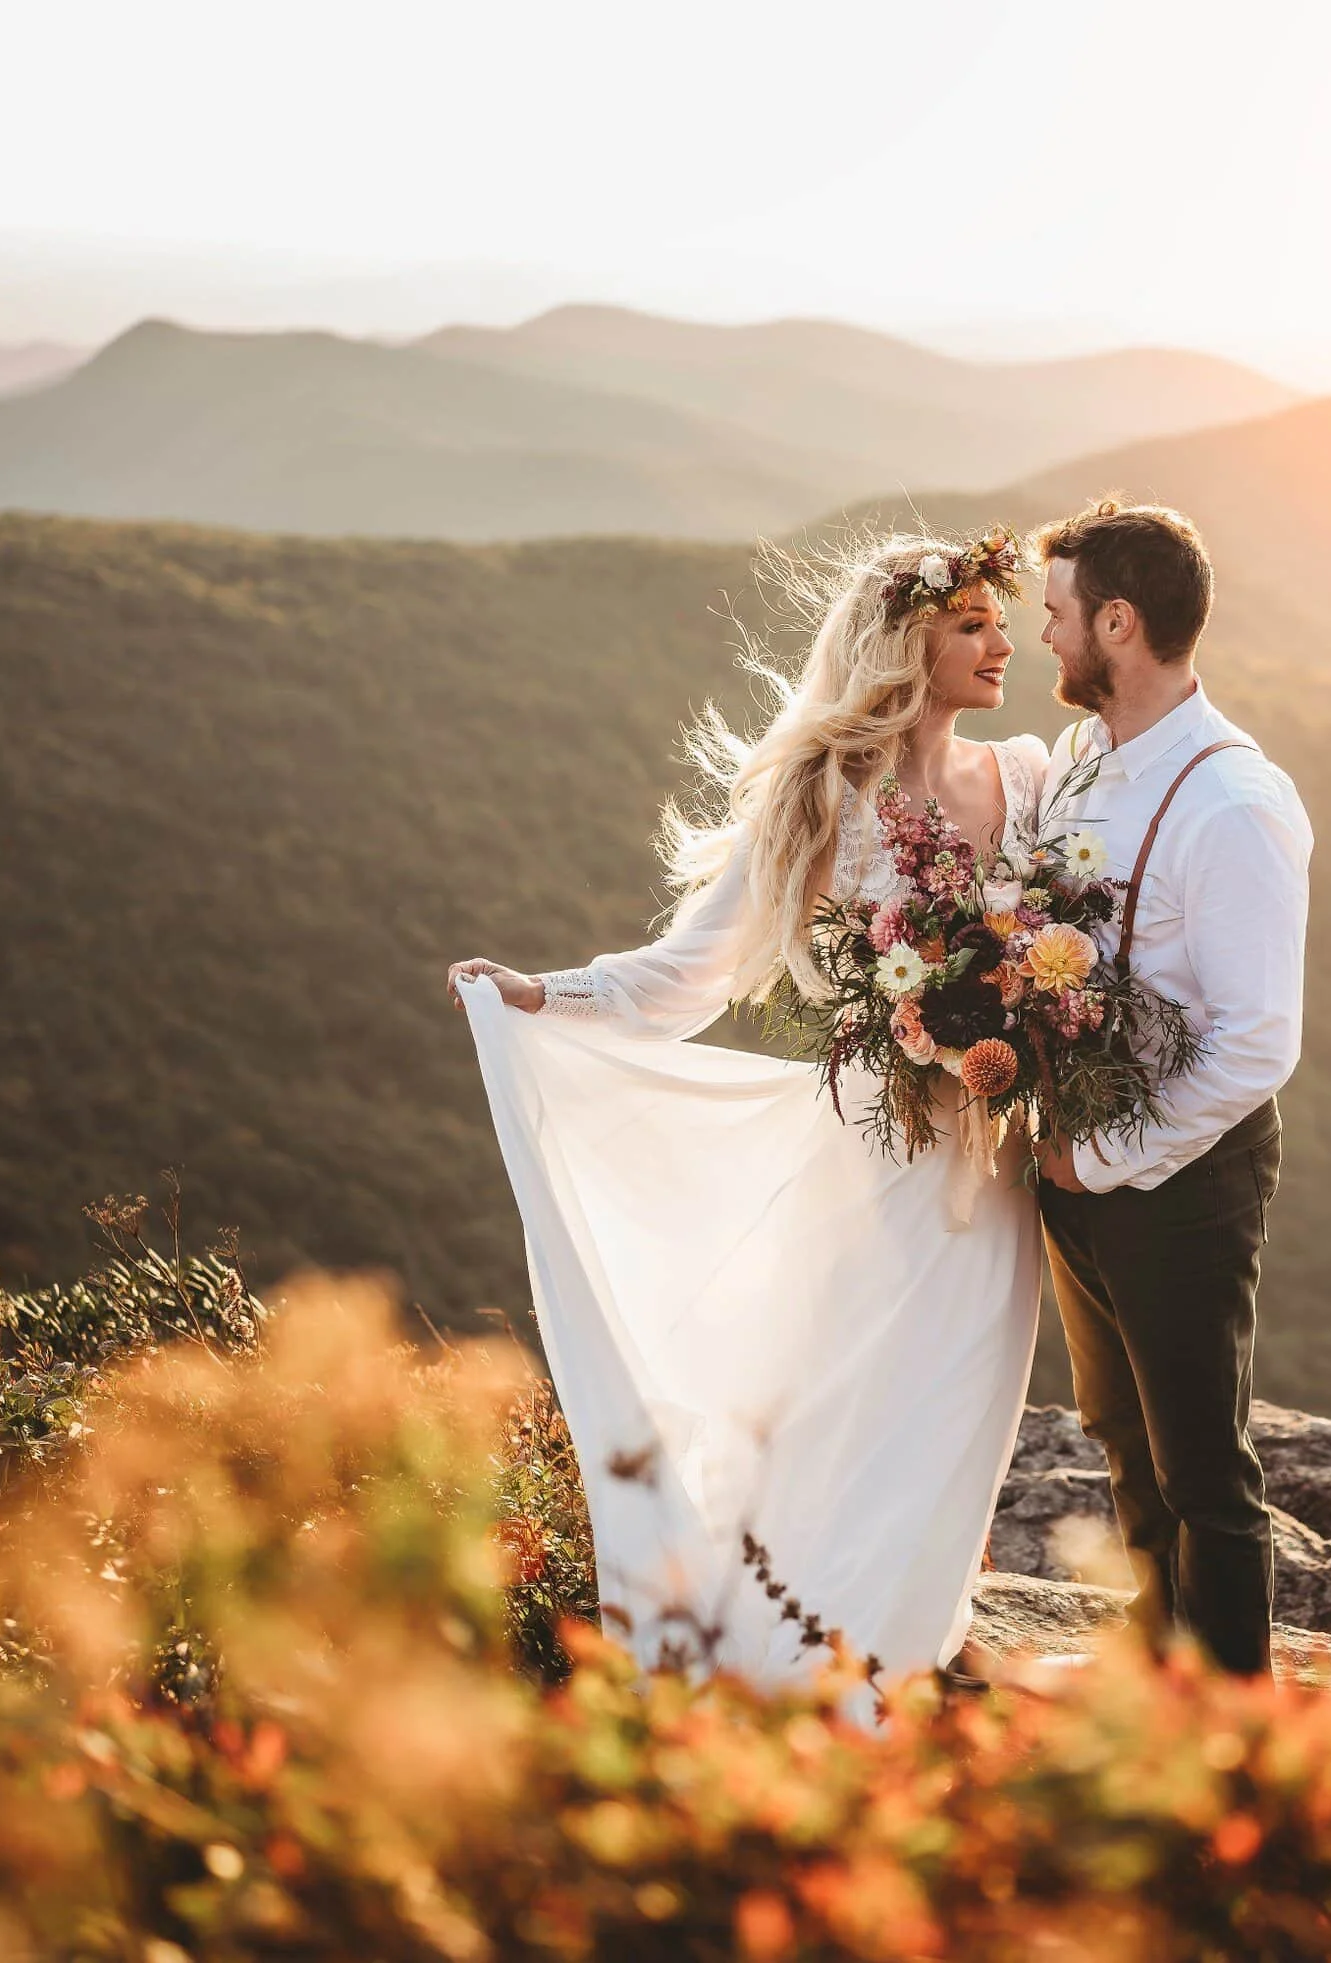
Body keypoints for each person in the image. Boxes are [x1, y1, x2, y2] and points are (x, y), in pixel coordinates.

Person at [446, 532, 1046, 1690]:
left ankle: (916, 1635)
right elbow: (694, 968)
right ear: (905, 642)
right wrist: (548, 994)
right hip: (878, 1155)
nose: (1000, 641)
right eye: (970, 622)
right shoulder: (824, 795)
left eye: (997, 619)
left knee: (966, 1403)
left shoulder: (1025, 779)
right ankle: (822, 1648)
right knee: (859, 1399)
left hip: (1002, 1165)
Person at [1030, 499, 1315, 1676]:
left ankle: (1235, 1731)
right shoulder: (1075, 755)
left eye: (1054, 615)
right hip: (1074, 1161)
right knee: (1120, 1442)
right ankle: (1160, 1678)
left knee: (1203, 1467)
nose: (1041, 638)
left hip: (1185, 1180)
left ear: (1117, 621)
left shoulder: (1233, 806)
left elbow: (1256, 1044)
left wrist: (1096, 1159)